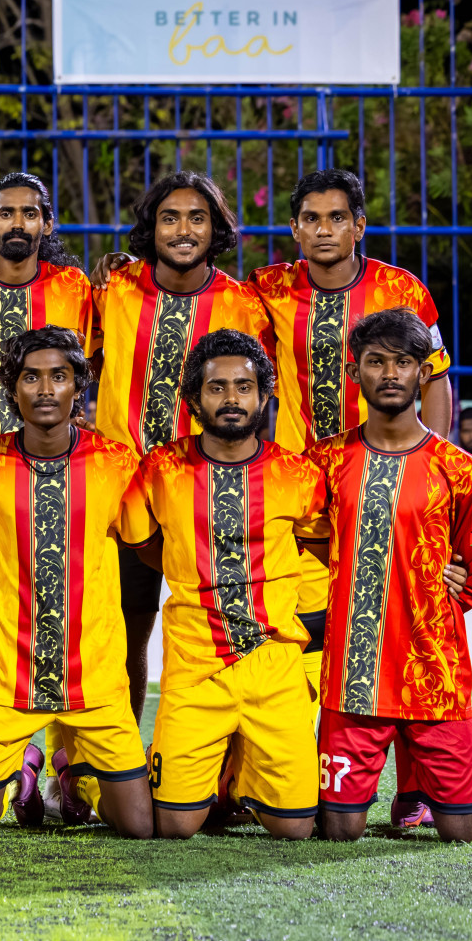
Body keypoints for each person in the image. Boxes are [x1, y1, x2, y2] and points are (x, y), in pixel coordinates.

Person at [248, 169, 454, 734]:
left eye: (337, 218)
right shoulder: (267, 288)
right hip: (302, 495)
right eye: (311, 219)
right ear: (294, 228)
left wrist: (431, 471)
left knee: (405, 631)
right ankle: (269, 766)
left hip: (386, 489)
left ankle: (414, 786)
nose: (324, 230)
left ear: (358, 226)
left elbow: (435, 378)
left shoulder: (403, 290)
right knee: (295, 631)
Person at [120, 329, 328, 841]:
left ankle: (236, 779)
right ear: (194, 398)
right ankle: (102, 775)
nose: (231, 399)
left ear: (264, 395)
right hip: (196, 666)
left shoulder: (296, 474)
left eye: (243, 386)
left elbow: (319, 548)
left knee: (295, 830)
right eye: (216, 388)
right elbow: (144, 544)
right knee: (174, 825)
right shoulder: (160, 468)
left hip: (274, 665)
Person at [0, 326, 151, 839]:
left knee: (140, 827)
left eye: (58, 377)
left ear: (77, 386)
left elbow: (143, 541)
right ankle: (26, 763)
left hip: (98, 685)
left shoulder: (116, 462)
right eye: (30, 377)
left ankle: (66, 767)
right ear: (11, 388)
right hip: (5, 684)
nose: (43, 389)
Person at [88, 171, 272, 724]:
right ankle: (91, 772)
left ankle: (226, 772)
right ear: (152, 227)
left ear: (215, 228)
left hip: (213, 497)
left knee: (223, 639)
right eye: (170, 217)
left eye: (198, 217)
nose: (184, 229)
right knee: (122, 635)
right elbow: (84, 365)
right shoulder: (113, 290)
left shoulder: (244, 305)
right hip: (124, 497)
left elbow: (263, 399)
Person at [306, 309, 472, 844]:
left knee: (461, 833)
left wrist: (455, 582)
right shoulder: (324, 461)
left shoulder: (461, 471)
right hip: (351, 681)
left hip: (434, 675)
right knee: (340, 831)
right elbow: (303, 536)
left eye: (404, 362)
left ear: (422, 373)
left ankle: (413, 784)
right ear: (354, 372)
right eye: (375, 362)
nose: (390, 374)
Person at [0, 173, 93, 459]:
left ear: (46, 225)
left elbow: (90, 360)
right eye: (6, 213)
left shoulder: (72, 286)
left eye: (29, 213)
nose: (18, 224)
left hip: (55, 452)